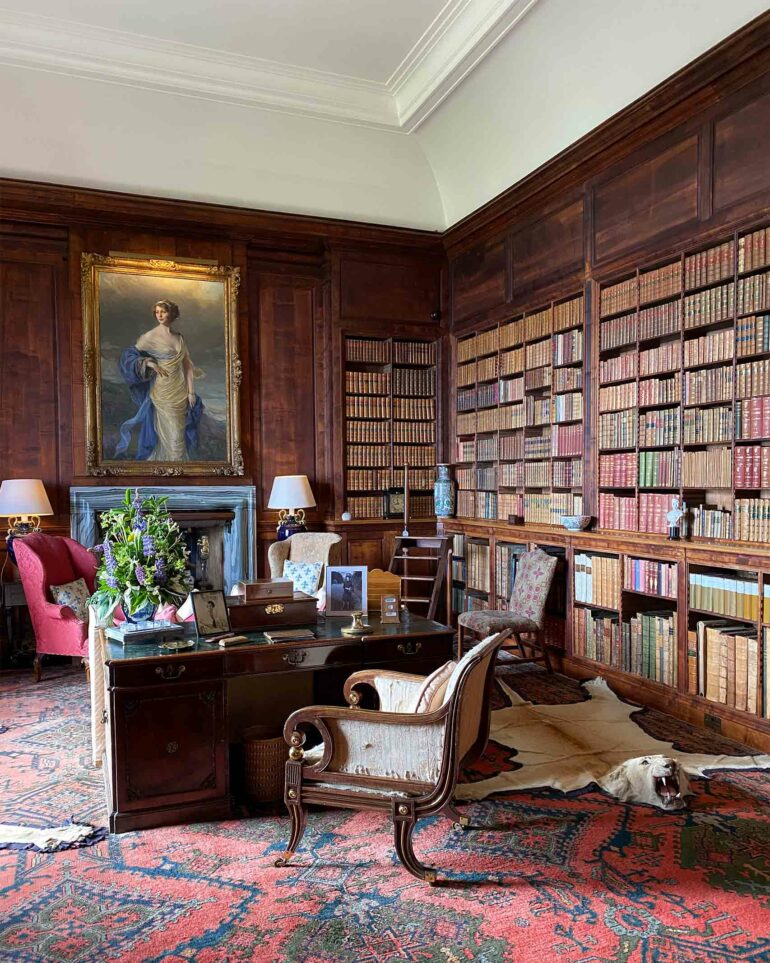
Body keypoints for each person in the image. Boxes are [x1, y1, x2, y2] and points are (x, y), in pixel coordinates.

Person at [115, 299, 203, 461]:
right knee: (173, 436)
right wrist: (149, 362)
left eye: (163, 311)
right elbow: (128, 355)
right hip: (163, 391)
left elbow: (188, 366)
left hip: (181, 390)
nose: (160, 315)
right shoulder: (150, 336)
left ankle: (178, 470)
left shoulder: (179, 338)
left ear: (172, 313)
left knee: (179, 436)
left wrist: (191, 392)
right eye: (157, 312)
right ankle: (169, 467)